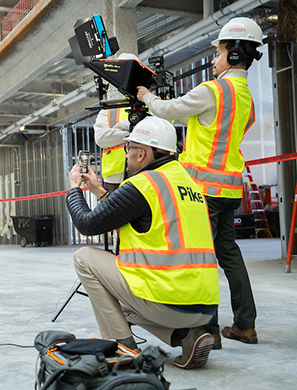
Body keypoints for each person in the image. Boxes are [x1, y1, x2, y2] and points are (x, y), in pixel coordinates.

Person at [136, 17, 263, 348]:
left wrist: (147, 96)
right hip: (230, 188)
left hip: (203, 190)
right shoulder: (247, 97)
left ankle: (209, 331)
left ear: (233, 55)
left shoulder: (214, 90)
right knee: (229, 254)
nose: (213, 59)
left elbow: (170, 110)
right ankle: (246, 326)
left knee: (202, 260)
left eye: (218, 53)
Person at [67, 116, 219, 369]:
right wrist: (97, 190)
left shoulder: (141, 184)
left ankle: (123, 345)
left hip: (169, 300)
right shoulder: (188, 184)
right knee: (115, 302)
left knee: (84, 257)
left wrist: (74, 189)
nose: (126, 156)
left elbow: (87, 224)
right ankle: (187, 336)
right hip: (204, 305)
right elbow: (131, 212)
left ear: (141, 154)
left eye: (128, 149)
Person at [94, 53, 140, 194]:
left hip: (144, 173)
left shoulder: (152, 102)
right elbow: (101, 138)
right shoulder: (109, 109)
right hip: (113, 179)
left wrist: (123, 125)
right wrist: (134, 133)